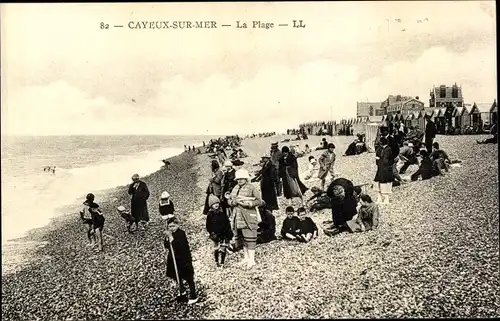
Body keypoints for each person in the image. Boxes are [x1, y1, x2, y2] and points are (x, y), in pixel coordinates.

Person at [227, 169, 263, 269]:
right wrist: (233, 202)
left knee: (250, 237)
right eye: (238, 179)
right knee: (242, 238)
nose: (239, 181)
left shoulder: (252, 187)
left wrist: (249, 203)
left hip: (248, 215)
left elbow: (259, 201)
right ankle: (246, 257)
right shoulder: (235, 187)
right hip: (237, 216)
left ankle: (252, 260)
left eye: (241, 179)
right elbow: (229, 200)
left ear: (246, 178)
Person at [163, 217, 198, 305]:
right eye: (170, 227)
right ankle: (182, 290)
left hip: (183, 258)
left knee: (189, 277)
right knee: (176, 275)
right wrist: (167, 239)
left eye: (173, 226)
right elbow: (167, 245)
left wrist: (171, 238)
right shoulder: (170, 234)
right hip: (173, 259)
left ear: (177, 225)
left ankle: (193, 295)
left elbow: (180, 246)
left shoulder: (181, 233)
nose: (172, 228)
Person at [206, 195, 233, 268]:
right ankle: (216, 261)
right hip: (215, 234)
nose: (216, 205)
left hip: (223, 233)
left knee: (223, 247)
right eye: (214, 204)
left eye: (217, 203)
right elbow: (208, 226)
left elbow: (227, 223)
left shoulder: (222, 212)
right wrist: (211, 233)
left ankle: (222, 262)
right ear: (211, 205)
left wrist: (229, 232)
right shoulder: (210, 214)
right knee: (216, 248)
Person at [373, 137, 393, 204]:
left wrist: (379, 159)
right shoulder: (384, 149)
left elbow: (385, 161)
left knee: (383, 183)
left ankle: (385, 198)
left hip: (385, 168)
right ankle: (380, 198)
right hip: (382, 168)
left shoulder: (387, 150)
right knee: (378, 182)